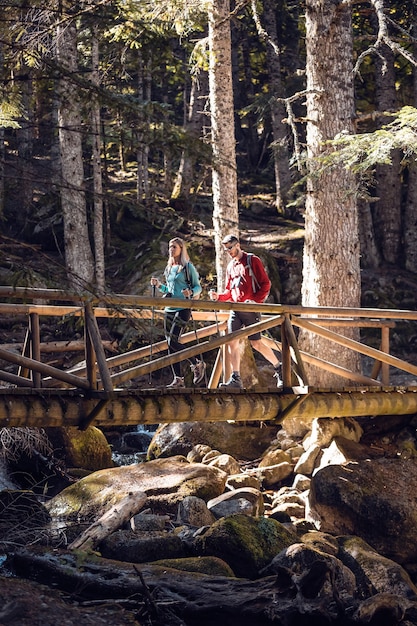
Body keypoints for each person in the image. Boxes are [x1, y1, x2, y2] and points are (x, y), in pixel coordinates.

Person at [209, 233, 282, 389]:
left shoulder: (252, 260)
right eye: (226, 249)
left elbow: (265, 284)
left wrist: (255, 302)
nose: (228, 252)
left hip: (251, 310)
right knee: (231, 342)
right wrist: (218, 297)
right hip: (236, 310)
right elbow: (229, 291)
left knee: (256, 343)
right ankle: (236, 378)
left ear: (238, 245)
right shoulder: (230, 267)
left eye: (230, 248)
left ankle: (278, 368)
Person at [151, 237, 206, 388]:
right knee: (170, 346)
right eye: (170, 246)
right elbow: (169, 290)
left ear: (181, 249)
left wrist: (190, 292)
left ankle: (196, 363)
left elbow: (198, 287)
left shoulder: (188, 267)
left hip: (183, 308)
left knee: (172, 341)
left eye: (174, 247)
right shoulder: (168, 268)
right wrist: (159, 285)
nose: (171, 249)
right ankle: (178, 379)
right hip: (169, 309)